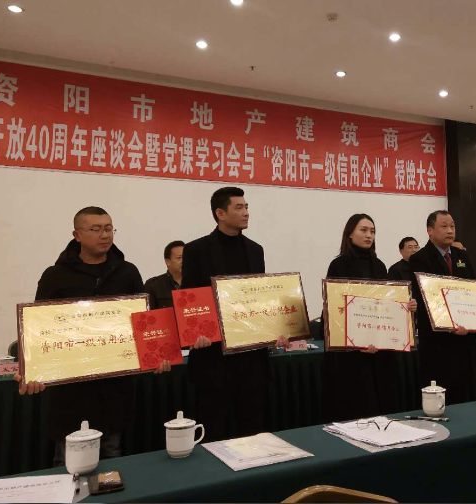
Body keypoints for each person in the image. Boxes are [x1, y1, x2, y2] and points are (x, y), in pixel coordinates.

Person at [14, 206, 170, 466]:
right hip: (70, 390)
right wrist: (31, 369)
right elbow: (38, 328)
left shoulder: (127, 272)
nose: (104, 235)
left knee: (111, 459)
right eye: (95, 229)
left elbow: (144, 322)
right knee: (70, 461)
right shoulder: (55, 275)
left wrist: (157, 354)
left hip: (114, 386)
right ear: (77, 235)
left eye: (108, 229)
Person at [182, 187, 286, 442]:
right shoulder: (196, 250)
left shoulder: (255, 250)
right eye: (239, 207)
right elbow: (190, 295)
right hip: (213, 357)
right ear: (220, 213)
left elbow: (261, 297)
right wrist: (195, 332)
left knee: (252, 431)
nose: (246, 213)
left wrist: (275, 329)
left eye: (247, 207)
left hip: (251, 359)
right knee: (212, 431)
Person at [322, 214, 417, 422]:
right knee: (360, 413)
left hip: (381, 351)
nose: (369, 235)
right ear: (350, 234)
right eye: (363, 230)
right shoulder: (339, 265)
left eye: (372, 231)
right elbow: (333, 311)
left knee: (385, 410)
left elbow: (386, 304)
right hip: (352, 355)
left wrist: (406, 306)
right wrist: (359, 342)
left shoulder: (380, 266)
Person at [410, 210, 476, 405]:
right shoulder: (419, 259)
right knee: (441, 395)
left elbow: (473, 290)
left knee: (466, 394)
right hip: (438, 341)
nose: (450, 231)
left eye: (452, 226)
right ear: (430, 230)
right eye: (444, 226)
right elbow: (426, 299)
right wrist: (450, 325)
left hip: (465, 337)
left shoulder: (462, 255)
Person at [144, 240, 184, 309]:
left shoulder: (197, 283)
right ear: (167, 262)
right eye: (179, 258)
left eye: (186, 257)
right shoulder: (153, 286)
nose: (184, 261)